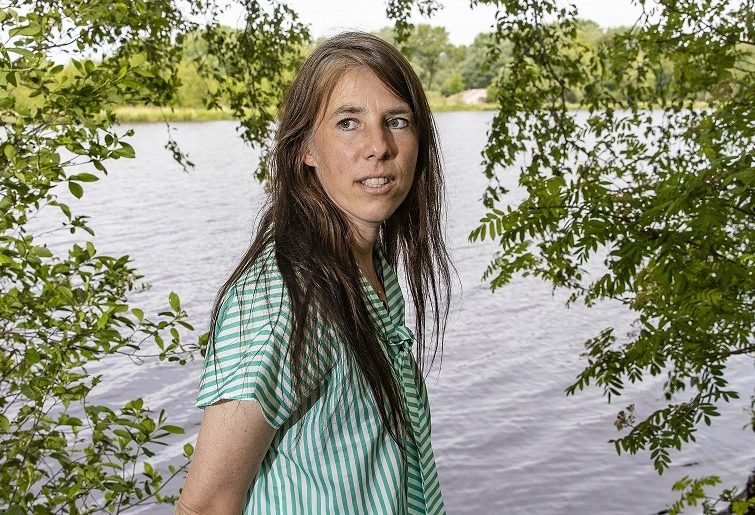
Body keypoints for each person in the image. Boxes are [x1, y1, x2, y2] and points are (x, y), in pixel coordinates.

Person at [176, 30, 452, 515]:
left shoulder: (374, 274)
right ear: (305, 147)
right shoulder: (284, 294)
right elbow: (207, 504)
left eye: (397, 121)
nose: (379, 146)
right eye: (349, 123)